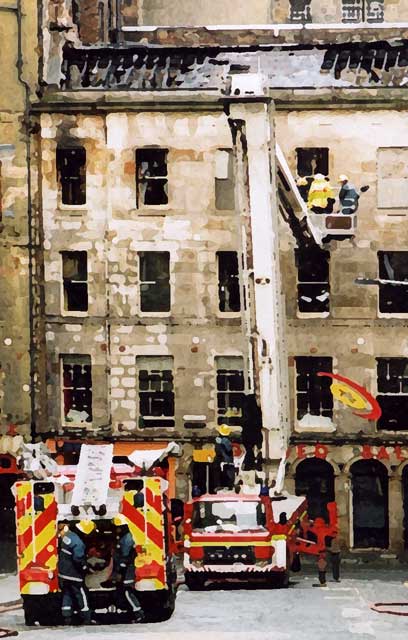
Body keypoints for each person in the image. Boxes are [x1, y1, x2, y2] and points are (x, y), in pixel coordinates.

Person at [102, 514, 144, 622]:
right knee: (124, 591)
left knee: (127, 591)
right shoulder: (127, 537)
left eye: (117, 527)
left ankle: (138, 614)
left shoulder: (127, 539)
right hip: (127, 568)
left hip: (128, 569)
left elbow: (125, 556)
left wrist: (121, 569)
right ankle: (131, 612)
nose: (116, 529)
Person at [58, 519, 95, 625]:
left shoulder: (68, 535)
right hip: (73, 574)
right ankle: (86, 616)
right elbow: (78, 558)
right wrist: (86, 568)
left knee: (67, 593)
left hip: (63, 573)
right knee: (82, 593)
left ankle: (67, 616)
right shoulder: (79, 543)